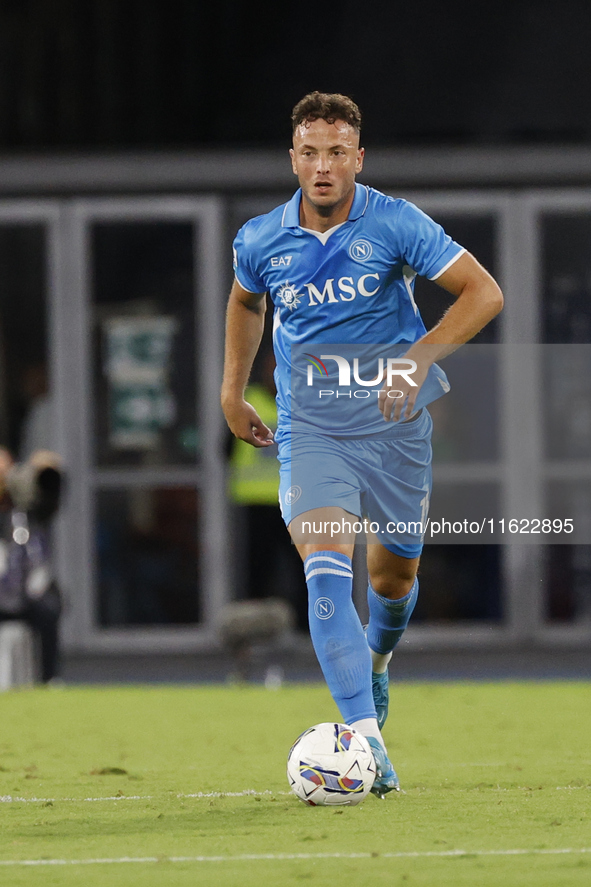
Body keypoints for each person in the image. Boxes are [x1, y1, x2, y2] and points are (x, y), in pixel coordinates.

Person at [221, 92, 503, 797]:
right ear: (292, 159)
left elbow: (481, 292)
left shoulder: (395, 222)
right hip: (310, 427)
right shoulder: (260, 239)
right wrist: (231, 390)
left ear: (357, 157)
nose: (322, 166)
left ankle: (375, 665)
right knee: (324, 570)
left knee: (391, 581)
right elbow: (244, 301)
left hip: (393, 425)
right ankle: (366, 744)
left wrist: (418, 358)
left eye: (336, 152)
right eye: (309, 153)